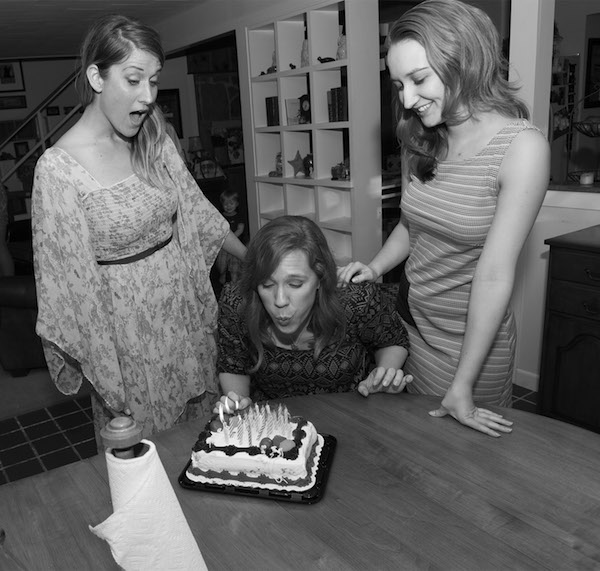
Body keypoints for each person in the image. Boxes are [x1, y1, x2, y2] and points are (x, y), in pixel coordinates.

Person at [337, 0, 550, 437]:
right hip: (411, 327)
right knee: (414, 454)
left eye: (418, 79)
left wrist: (463, 384)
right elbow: (410, 225)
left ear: (465, 64)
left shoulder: (522, 149)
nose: (408, 100)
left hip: (474, 347)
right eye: (398, 85)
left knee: (466, 472)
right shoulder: (417, 134)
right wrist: (376, 267)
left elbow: (493, 275)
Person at [31, 15, 246, 441]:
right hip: (127, 338)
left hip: (184, 314)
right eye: (133, 80)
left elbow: (195, 211)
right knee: (149, 452)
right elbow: (66, 281)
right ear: (96, 76)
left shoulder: (155, 137)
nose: (147, 96)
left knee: (209, 436)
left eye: (153, 80)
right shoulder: (58, 169)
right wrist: (106, 365)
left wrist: (254, 257)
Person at [215, 215, 412, 411]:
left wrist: (383, 376)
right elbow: (233, 365)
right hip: (274, 425)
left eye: (295, 284)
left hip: (350, 417)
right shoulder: (238, 303)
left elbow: (391, 340)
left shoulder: (355, 300)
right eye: (267, 284)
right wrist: (238, 403)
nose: (280, 300)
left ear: (320, 277)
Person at [215, 187, 247, 285]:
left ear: (237, 204)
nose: (228, 206)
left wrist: (230, 238)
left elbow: (240, 229)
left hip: (235, 245)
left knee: (235, 265)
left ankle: (234, 282)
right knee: (221, 264)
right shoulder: (220, 216)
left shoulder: (239, 216)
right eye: (225, 204)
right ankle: (222, 274)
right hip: (223, 245)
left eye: (231, 203)